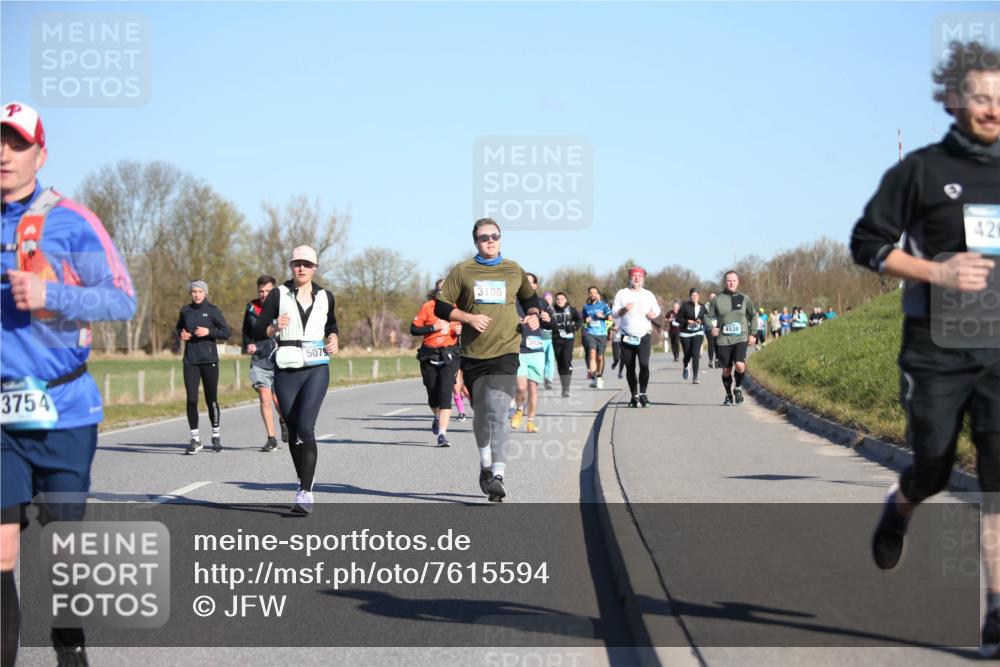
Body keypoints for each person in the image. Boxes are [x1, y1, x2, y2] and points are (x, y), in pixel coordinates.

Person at [849, 41, 1000, 652]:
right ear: (954, 100)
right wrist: (937, 272)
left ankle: (995, 611)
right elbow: (867, 243)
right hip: (935, 347)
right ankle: (902, 504)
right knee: (934, 466)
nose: (993, 109)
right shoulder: (921, 172)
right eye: (981, 97)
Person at [1, 100, 136, 667]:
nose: (4, 155)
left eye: (16, 143)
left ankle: (68, 642)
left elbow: (122, 299)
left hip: (64, 411)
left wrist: (52, 294)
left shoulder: (71, 221)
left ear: (41, 154)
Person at [435, 218, 540, 502]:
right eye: (484, 237)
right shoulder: (464, 271)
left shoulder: (513, 269)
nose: (490, 240)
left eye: (495, 236)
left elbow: (532, 300)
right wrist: (468, 317)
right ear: (476, 242)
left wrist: (532, 314)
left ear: (501, 239)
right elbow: (442, 305)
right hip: (473, 354)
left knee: (498, 412)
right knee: (481, 416)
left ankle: (498, 475)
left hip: (506, 351)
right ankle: (484, 465)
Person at [253, 245, 339, 515]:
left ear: (314, 268)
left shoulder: (326, 296)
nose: (301, 268)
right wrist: (274, 326)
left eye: (306, 264)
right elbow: (258, 329)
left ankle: (305, 492)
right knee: (291, 429)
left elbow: (332, 324)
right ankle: (303, 480)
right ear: (291, 267)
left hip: (316, 367)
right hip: (287, 367)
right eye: (296, 263)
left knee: (305, 427)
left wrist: (334, 338)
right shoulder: (278, 294)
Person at [177, 280, 231, 454]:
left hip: (209, 361)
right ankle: (195, 439)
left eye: (200, 291)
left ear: (205, 293)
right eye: (194, 291)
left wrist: (209, 332)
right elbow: (178, 329)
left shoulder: (213, 311)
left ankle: (216, 436)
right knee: (192, 399)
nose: (197, 294)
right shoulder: (185, 311)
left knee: (211, 400)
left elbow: (226, 332)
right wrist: (182, 334)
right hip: (190, 361)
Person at [411, 280, 461, 447]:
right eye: (441, 290)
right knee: (433, 395)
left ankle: (442, 435)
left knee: (446, 393)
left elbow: (472, 327)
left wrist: (463, 330)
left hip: (450, 354)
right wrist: (433, 328)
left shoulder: (458, 308)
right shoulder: (428, 306)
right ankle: (437, 416)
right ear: (437, 292)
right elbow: (414, 329)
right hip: (429, 354)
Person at [242, 274, 288, 452]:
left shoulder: (282, 307)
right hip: (260, 359)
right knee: (265, 398)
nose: (264, 294)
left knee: (279, 401)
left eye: (268, 291)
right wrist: (249, 344)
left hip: (280, 359)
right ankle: (271, 438)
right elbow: (246, 332)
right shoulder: (252, 308)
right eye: (261, 291)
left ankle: (284, 420)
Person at [706, 271, 757, 406]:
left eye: (734, 280)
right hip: (723, 339)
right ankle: (728, 395)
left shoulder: (744, 298)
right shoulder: (717, 299)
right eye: (729, 281)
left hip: (740, 337)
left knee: (740, 366)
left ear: (738, 281)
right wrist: (712, 327)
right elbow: (707, 316)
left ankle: (738, 387)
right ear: (725, 282)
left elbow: (753, 315)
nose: (731, 283)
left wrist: (753, 333)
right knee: (727, 369)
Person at [612, 267, 661, 407]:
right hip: (627, 334)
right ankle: (634, 396)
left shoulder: (648, 294)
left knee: (644, 364)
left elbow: (656, 309)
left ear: (643, 278)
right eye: (634, 276)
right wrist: (625, 309)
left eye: (639, 276)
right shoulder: (622, 294)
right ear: (629, 278)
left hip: (644, 334)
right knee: (630, 367)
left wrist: (653, 314)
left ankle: (643, 394)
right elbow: (615, 313)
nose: (637, 278)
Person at [510, 295, 550, 433]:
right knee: (521, 388)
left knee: (533, 388)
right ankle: (519, 409)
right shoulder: (510, 301)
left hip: (536, 350)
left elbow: (550, 324)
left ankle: (531, 422)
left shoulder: (538, 302)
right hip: (518, 349)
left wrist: (548, 320)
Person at [551, 292, 582, 397]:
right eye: (558, 299)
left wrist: (574, 327)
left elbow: (579, 320)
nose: (560, 301)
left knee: (566, 360)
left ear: (566, 300)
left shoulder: (571, 310)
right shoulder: (552, 310)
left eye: (562, 299)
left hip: (568, 339)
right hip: (556, 340)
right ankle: (564, 387)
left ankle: (567, 388)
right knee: (560, 364)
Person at [580, 286, 612, 388]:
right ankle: (594, 378)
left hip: (602, 334)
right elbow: (584, 320)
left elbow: (610, 319)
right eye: (591, 292)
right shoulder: (586, 307)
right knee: (592, 354)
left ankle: (599, 376)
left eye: (594, 292)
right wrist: (586, 320)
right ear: (589, 294)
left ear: (598, 294)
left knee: (600, 357)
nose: (592, 294)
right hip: (590, 333)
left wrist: (603, 317)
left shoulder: (604, 305)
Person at [678, 288, 707, 384]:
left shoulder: (702, 307)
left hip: (697, 332)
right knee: (687, 355)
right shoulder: (685, 306)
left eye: (696, 295)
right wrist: (687, 321)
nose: (694, 297)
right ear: (690, 297)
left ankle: (695, 377)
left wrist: (701, 321)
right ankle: (686, 365)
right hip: (685, 333)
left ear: (699, 296)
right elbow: (678, 318)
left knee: (695, 354)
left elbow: (706, 318)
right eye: (692, 295)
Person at [538, 289, 557, 390]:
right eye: (546, 299)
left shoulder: (554, 310)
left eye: (550, 299)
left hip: (551, 339)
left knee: (550, 360)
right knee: (541, 360)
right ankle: (540, 378)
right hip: (541, 338)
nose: (548, 300)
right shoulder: (540, 309)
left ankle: (549, 379)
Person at [705, 291, 719, 367]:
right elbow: (705, 315)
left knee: (717, 344)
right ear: (709, 298)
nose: (712, 298)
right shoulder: (706, 305)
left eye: (714, 297)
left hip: (717, 326)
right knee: (711, 344)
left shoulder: (719, 305)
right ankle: (710, 360)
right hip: (709, 327)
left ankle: (717, 359)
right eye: (711, 297)